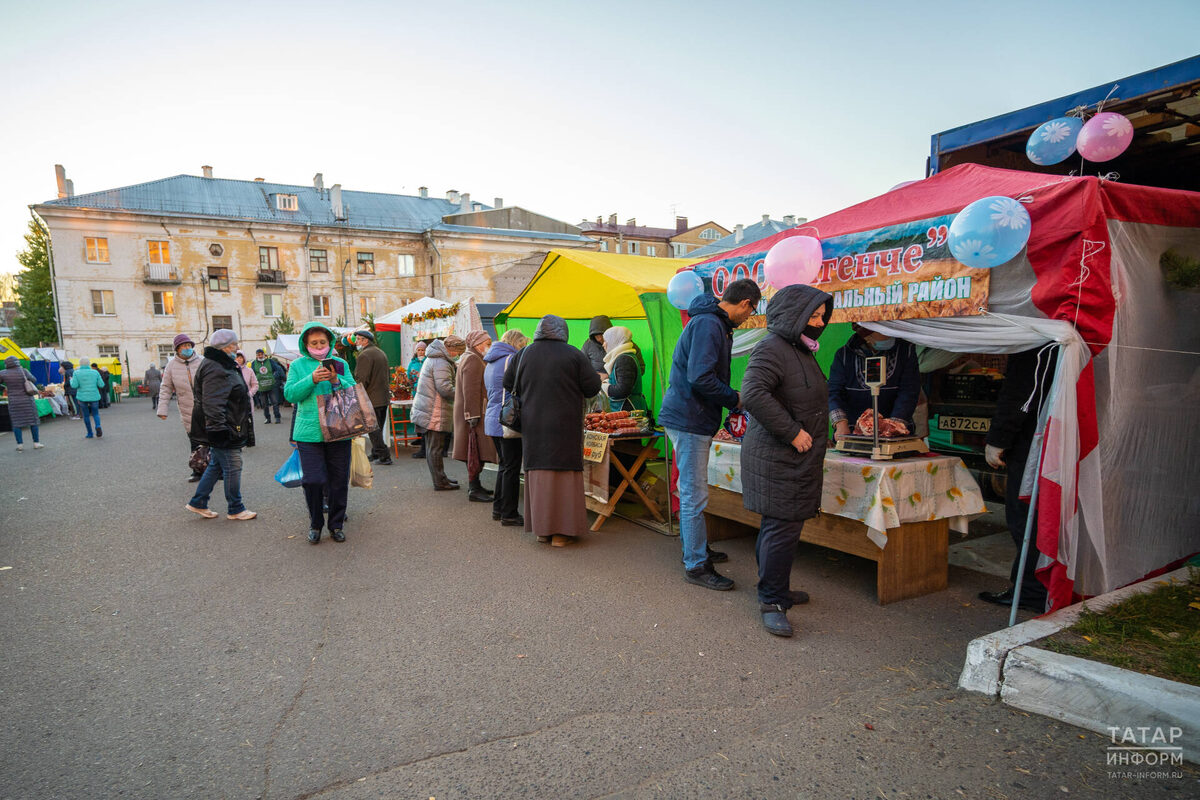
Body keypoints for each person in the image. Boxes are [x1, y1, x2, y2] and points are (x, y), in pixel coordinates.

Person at [740, 285, 834, 637]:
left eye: (822, 315)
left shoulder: (798, 348)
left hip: (792, 458)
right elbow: (753, 394)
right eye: (813, 315)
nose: (821, 321)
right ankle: (772, 601)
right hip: (781, 456)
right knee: (781, 529)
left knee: (779, 528)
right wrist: (793, 432)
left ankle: (775, 587)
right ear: (794, 316)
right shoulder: (771, 348)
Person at [658, 278, 762, 589]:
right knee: (694, 493)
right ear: (744, 303)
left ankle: (697, 548)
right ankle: (696, 565)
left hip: (689, 415)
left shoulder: (709, 322)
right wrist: (734, 398)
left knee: (694, 490)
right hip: (690, 417)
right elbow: (701, 376)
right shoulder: (709, 324)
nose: (748, 318)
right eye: (751, 311)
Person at [504, 315, 602, 546]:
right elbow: (592, 387)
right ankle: (561, 533)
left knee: (538, 477)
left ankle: (542, 530)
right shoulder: (574, 354)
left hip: (533, 426)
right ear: (563, 332)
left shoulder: (524, 353)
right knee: (564, 478)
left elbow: (508, 383)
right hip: (565, 427)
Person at [979, 346, 1058, 614]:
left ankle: (1031, 590)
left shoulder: (1036, 345)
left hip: (1033, 442)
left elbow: (1021, 393)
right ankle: (1035, 586)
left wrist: (998, 439)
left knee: (1024, 516)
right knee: (1033, 515)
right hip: (1053, 435)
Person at [283, 322, 359, 544]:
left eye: (322, 342)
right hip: (309, 432)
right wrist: (312, 379)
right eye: (313, 343)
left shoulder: (341, 363)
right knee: (313, 480)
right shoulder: (297, 366)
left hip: (339, 429)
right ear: (306, 345)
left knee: (338, 481)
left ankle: (336, 525)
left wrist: (336, 379)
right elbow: (290, 394)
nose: (319, 346)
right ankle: (316, 523)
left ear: (329, 343)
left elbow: (353, 391)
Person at [186, 329, 256, 521]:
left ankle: (198, 502)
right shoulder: (217, 368)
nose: (237, 348)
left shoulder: (220, 365)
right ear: (225, 347)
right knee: (233, 466)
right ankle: (236, 508)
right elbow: (213, 402)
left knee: (216, 465)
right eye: (234, 345)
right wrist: (218, 430)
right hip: (224, 428)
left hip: (225, 425)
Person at [828, 325, 921, 439]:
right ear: (867, 336)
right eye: (883, 330)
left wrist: (892, 427)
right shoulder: (843, 355)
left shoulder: (906, 351)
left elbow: (909, 391)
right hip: (853, 432)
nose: (889, 333)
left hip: (896, 434)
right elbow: (833, 393)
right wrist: (841, 424)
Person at [484, 329, 529, 526]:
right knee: (511, 467)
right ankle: (509, 513)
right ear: (517, 343)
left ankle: (498, 508)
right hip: (507, 419)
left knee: (504, 465)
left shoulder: (491, 360)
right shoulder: (511, 359)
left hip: (493, 417)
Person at [411, 337, 464, 490]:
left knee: (432, 447)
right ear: (452, 350)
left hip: (429, 407)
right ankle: (440, 481)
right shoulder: (441, 361)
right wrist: (462, 393)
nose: (458, 355)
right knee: (435, 448)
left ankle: (441, 477)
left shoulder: (435, 358)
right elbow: (445, 389)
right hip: (434, 410)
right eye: (459, 352)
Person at [453, 330, 497, 502]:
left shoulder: (470, 357)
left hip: (472, 412)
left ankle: (476, 485)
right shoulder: (473, 359)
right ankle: (474, 488)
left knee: (474, 451)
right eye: (487, 342)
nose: (489, 345)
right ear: (478, 344)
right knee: (474, 451)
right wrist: (472, 415)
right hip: (473, 413)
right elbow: (470, 390)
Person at [158, 333, 206, 481]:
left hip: (207, 407)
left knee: (213, 439)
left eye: (189, 345)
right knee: (195, 441)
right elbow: (165, 387)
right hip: (188, 409)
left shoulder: (202, 361)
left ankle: (215, 470)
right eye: (183, 346)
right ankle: (197, 471)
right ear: (177, 349)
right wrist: (162, 409)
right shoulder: (171, 366)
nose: (187, 348)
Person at [352, 330, 392, 465]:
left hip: (371, 397)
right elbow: (388, 375)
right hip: (382, 397)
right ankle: (376, 453)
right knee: (377, 427)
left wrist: (357, 395)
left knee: (372, 429)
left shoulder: (365, 355)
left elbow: (361, 379)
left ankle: (384, 455)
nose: (356, 342)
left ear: (365, 341)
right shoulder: (380, 353)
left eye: (358, 339)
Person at [1, 356, 44, 451]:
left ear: (7, 363)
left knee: (16, 423)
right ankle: (36, 443)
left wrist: (3, 388)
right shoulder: (23, 371)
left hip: (14, 401)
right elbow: (34, 380)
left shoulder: (3, 373)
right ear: (17, 362)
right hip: (27, 400)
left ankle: (19, 445)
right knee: (33, 422)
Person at [601, 326, 647, 411]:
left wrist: (604, 387)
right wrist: (608, 381)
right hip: (625, 408)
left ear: (613, 340)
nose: (603, 344)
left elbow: (623, 390)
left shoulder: (624, 360)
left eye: (605, 341)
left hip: (628, 409)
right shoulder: (622, 357)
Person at [70, 357, 105, 438]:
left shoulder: (76, 373)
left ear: (80, 364)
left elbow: (74, 385)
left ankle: (89, 433)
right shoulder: (95, 372)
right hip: (94, 396)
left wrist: (71, 380)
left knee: (86, 415)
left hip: (82, 397)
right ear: (89, 363)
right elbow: (101, 384)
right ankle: (98, 426)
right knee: (95, 414)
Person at [251, 348, 286, 424]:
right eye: (258, 354)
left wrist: (274, 376)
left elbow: (278, 369)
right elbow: (252, 373)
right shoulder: (254, 363)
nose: (260, 356)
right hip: (261, 386)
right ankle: (267, 418)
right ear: (256, 355)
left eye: (261, 354)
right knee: (264, 404)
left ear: (264, 354)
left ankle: (277, 417)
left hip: (271, 385)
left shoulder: (270, 361)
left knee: (275, 402)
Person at [407, 341, 428, 459]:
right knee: (417, 416)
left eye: (423, 350)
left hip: (426, 393)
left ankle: (424, 443)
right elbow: (408, 377)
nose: (421, 352)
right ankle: (419, 437)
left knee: (424, 418)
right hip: (416, 393)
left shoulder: (427, 361)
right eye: (419, 350)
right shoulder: (412, 363)